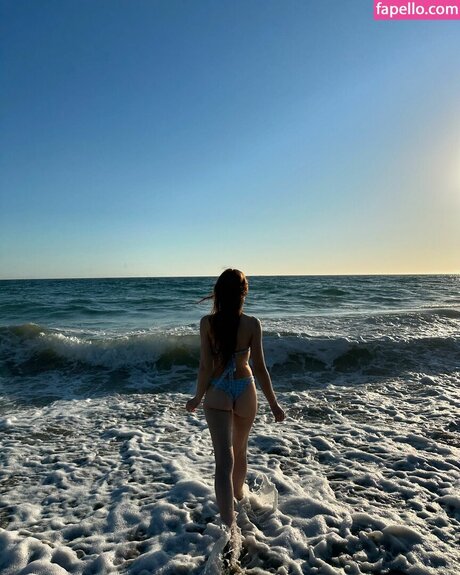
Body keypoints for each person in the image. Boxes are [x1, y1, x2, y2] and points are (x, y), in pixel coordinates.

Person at [185, 268, 285, 532]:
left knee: (223, 460)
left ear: (218, 292)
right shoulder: (252, 324)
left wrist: (197, 396)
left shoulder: (207, 323)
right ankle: (239, 499)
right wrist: (273, 403)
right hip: (245, 389)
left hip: (218, 390)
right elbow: (260, 367)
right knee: (240, 451)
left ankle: (228, 527)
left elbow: (205, 366)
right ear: (244, 293)